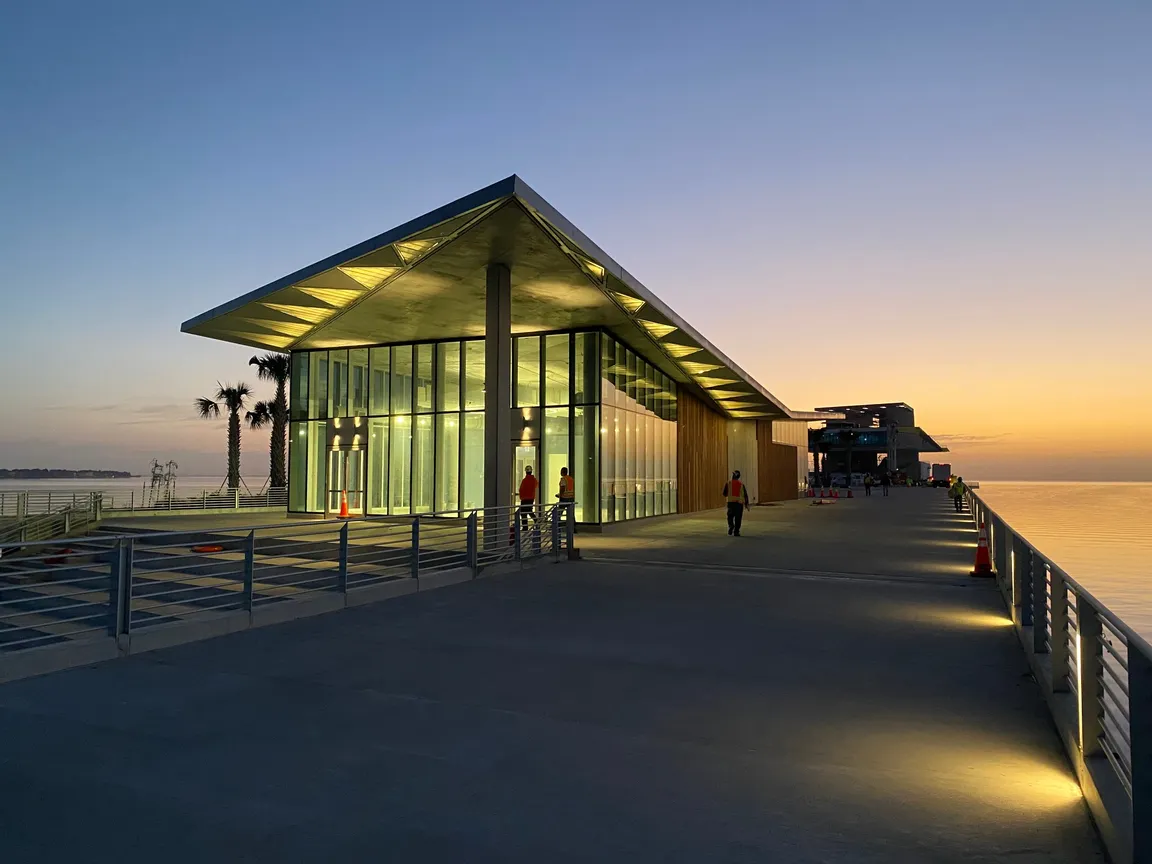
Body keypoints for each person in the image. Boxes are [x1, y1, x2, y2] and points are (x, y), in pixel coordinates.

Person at [723, 470, 750, 536]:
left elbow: (724, 493)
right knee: (738, 518)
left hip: (731, 503)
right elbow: (745, 495)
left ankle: (731, 526)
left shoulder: (728, 483)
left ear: (733, 476)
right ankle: (736, 531)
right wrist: (747, 504)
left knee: (730, 516)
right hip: (739, 504)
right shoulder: (741, 485)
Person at [517, 466, 538, 533]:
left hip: (524, 498)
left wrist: (521, 496)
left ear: (526, 472)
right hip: (531, 498)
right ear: (531, 471)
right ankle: (536, 521)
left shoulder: (525, 480)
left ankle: (525, 527)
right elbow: (536, 486)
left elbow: (521, 489)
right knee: (529, 510)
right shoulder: (534, 480)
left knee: (523, 513)